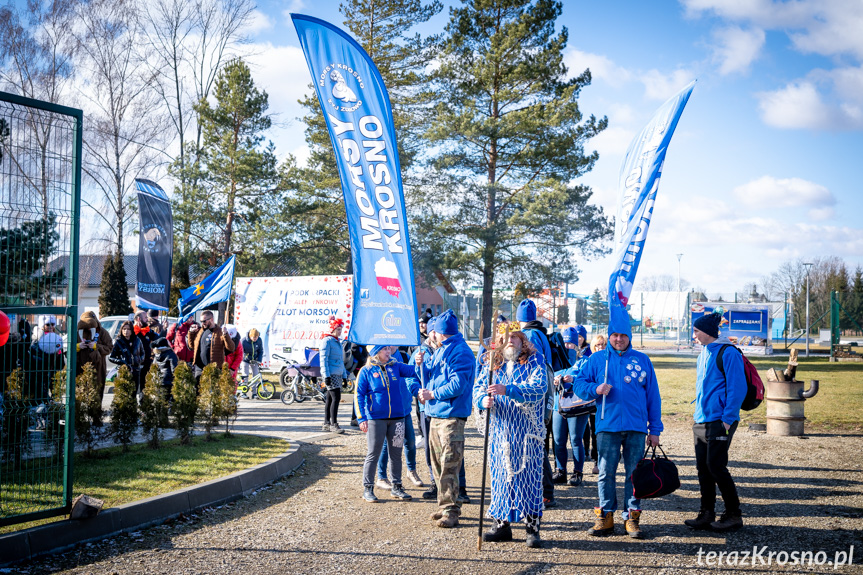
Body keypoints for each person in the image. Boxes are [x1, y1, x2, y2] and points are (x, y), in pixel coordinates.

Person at [573, 322, 663, 539]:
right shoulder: (597, 359)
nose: (619, 339)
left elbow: (653, 396)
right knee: (605, 473)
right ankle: (606, 516)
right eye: (615, 335)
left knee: (634, 473)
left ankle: (631, 517)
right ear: (609, 336)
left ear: (629, 337)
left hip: (636, 427)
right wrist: (595, 389)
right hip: (607, 426)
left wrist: (655, 429)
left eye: (623, 335)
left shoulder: (642, 360)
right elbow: (578, 384)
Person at [475, 327, 548, 548]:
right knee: (500, 480)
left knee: (530, 480)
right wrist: (482, 401)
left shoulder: (535, 360)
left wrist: (509, 390)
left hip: (527, 435)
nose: (510, 341)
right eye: (505, 338)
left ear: (521, 340)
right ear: (498, 342)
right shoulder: (491, 363)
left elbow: (539, 387)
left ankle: (532, 529)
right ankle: (501, 525)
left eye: (514, 337)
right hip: (500, 433)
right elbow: (478, 388)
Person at [685, 310, 747, 532]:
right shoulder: (703, 352)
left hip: (721, 420)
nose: (694, 336)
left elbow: (737, 388)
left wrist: (728, 419)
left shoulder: (728, 353)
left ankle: (733, 514)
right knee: (703, 468)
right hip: (701, 419)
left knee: (716, 466)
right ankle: (706, 513)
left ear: (708, 332)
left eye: (696, 331)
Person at [415, 309, 475, 528]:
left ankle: (451, 510)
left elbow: (458, 384)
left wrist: (433, 394)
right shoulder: (443, 349)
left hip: (451, 415)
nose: (432, 335)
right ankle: (444, 505)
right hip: (436, 413)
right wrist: (419, 362)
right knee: (438, 463)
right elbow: (429, 374)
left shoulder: (460, 352)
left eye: (434, 332)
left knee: (450, 463)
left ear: (440, 333)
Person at [357, 344, 420, 502]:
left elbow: (413, 371)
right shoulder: (366, 371)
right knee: (373, 454)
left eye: (388, 349)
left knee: (396, 454)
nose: (388, 351)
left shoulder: (396, 366)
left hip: (398, 418)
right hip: (376, 420)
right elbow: (359, 395)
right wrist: (361, 418)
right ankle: (368, 488)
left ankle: (397, 487)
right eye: (384, 349)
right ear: (375, 353)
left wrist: (419, 362)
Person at [516, 299, 556, 508]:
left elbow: (530, 367)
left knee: (535, 443)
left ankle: (546, 491)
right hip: (544, 393)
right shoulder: (541, 333)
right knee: (537, 441)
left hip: (535, 397)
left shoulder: (529, 336)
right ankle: (543, 489)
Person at [377, 346, 423, 488]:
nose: (390, 348)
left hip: (404, 409)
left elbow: (411, 372)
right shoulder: (380, 359)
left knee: (409, 441)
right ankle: (381, 476)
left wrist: (417, 362)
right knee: (386, 445)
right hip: (388, 413)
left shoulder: (402, 354)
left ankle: (411, 471)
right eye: (386, 346)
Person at [551, 325, 591, 487]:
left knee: (575, 440)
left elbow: (589, 381)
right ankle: (560, 470)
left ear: (577, 345)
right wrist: (554, 380)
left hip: (577, 407)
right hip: (558, 406)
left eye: (571, 344)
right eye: (565, 343)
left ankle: (577, 472)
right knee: (558, 440)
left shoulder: (585, 362)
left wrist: (572, 380)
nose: (568, 347)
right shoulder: (555, 361)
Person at [76, 311, 113, 424]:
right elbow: (69, 346)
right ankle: (79, 418)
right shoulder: (76, 332)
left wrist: (97, 346)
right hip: (80, 367)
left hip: (98, 367)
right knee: (79, 391)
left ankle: (96, 417)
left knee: (97, 391)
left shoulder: (102, 333)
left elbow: (110, 347)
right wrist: (78, 346)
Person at [187, 310, 235, 382]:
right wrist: (191, 333)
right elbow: (191, 346)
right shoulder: (200, 331)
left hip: (214, 369)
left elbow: (231, 348)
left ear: (211, 319)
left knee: (213, 392)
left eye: (204, 321)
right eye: (201, 321)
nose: (202, 323)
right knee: (198, 391)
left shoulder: (219, 331)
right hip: (199, 368)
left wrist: (226, 334)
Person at [584, 334, 607, 474]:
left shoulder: (610, 359)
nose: (600, 347)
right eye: (597, 345)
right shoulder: (590, 360)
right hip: (593, 402)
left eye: (602, 344)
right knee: (595, 432)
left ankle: (608, 458)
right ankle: (597, 460)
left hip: (607, 403)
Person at [320, 317, 347, 434]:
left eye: (341, 329)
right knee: (336, 398)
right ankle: (333, 424)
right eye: (338, 329)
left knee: (330, 399)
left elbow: (341, 360)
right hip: (331, 374)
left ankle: (326, 423)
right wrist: (326, 376)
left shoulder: (337, 342)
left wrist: (345, 376)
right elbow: (323, 359)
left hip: (338, 373)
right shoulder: (327, 341)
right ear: (332, 329)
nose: (340, 331)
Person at [109, 320, 145, 388]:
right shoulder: (118, 342)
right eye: (124, 329)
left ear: (132, 330)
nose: (126, 331)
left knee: (134, 393)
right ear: (121, 330)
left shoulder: (137, 340)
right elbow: (111, 357)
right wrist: (122, 362)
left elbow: (142, 353)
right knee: (123, 393)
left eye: (128, 329)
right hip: (123, 371)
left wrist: (139, 360)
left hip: (135, 370)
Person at [133, 311, 157, 395]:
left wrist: (164, 330)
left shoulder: (148, 331)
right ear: (139, 319)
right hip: (134, 366)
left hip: (146, 364)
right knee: (133, 390)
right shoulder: (130, 331)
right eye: (145, 318)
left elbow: (158, 338)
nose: (147, 320)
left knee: (145, 390)